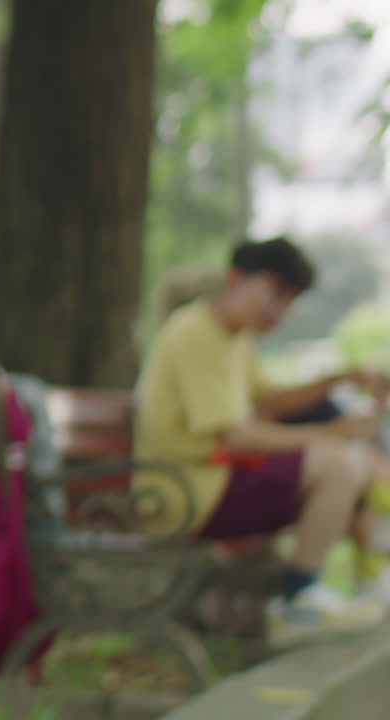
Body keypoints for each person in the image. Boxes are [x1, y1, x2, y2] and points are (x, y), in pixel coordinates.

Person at [134, 237, 390, 645]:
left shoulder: (234, 338)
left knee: (348, 457)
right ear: (237, 279)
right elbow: (235, 436)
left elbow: (272, 400)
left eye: (289, 302)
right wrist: (327, 435)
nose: (279, 312)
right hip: (185, 492)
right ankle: (299, 600)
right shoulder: (195, 333)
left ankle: (358, 572)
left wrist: (339, 378)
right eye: (275, 295)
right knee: (338, 463)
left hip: (212, 482)